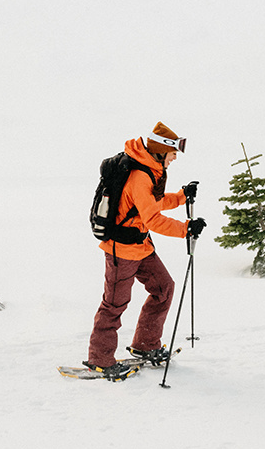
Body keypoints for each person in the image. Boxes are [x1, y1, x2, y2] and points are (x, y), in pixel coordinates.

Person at [84, 122, 204, 379]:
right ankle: (100, 359)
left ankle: (146, 344)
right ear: (161, 151)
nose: (174, 159)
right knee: (114, 305)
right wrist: (186, 229)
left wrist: (182, 196)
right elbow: (153, 219)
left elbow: (153, 203)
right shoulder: (140, 176)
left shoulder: (149, 170)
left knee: (164, 288)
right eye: (173, 155)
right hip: (122, 250)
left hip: (141, 247)